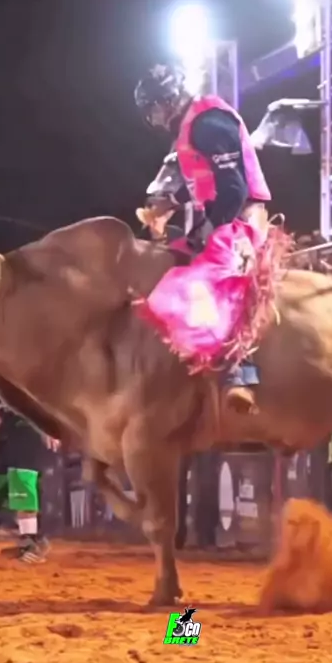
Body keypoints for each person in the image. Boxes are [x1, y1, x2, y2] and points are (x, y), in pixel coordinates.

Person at [134, 63, 272, 409]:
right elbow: (200, 181)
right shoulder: (191, 127)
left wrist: (208, 231)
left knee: (210, 277)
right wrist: (171, 204)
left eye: (153, 108)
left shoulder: (209, 125)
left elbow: (234, 189)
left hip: (241, 216)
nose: (152, 118)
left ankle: (242, 373)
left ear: (168, 100)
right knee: (170, 259)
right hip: (221, 214)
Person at [0, 371, 59, 563]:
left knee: (22, 481)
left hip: (31, 425)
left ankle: (30, 542)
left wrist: (49, 423)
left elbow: (51, 386)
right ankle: (35, 535)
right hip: (6, 424)